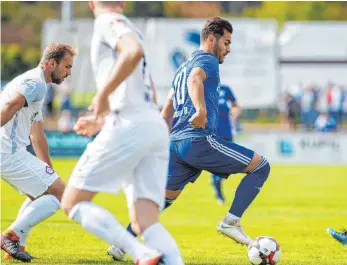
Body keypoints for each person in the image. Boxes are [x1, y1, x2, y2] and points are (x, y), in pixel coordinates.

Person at [108, 17, 271, 261]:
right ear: (211, 38)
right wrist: (201, 110)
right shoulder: (207, 60)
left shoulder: (179, 70)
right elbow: (196, 78)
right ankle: (231, 221)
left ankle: (122, 243)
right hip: (198, 140)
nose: (228, 48)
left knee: (163, 199)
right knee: (261, 166)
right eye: (226, 42)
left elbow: (167, 110)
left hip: (176, 143)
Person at [60, 2, 184, 265]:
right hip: (153, 123)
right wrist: (100, 117)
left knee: (72, 203)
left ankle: (140, 253)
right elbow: (145, 84)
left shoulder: (108, 21)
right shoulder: (133, 28)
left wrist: (103, 96)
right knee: (144, 222)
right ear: (124, 2)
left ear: (91, 2)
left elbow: (133, 52)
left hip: (129, 123)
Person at [0, 43, 76, 262]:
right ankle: (9, 237)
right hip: (9, 152)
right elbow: (11, 105)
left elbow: (38, 135)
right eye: (67, 66)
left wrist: (47, 170)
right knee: (61, 195)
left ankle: (18, 244)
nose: (68, 72)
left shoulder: (33, 82)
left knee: (40, 194)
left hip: (9, 152)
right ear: (52, 63)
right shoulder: (36, 84)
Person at [211, 84, 240, 204]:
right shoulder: (204, 88)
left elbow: (236, 105)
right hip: (212, 133)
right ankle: (218, 191)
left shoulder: (225, 89)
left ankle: (216, 180)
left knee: (228, 161)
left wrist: (234, 113)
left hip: (227, 131)